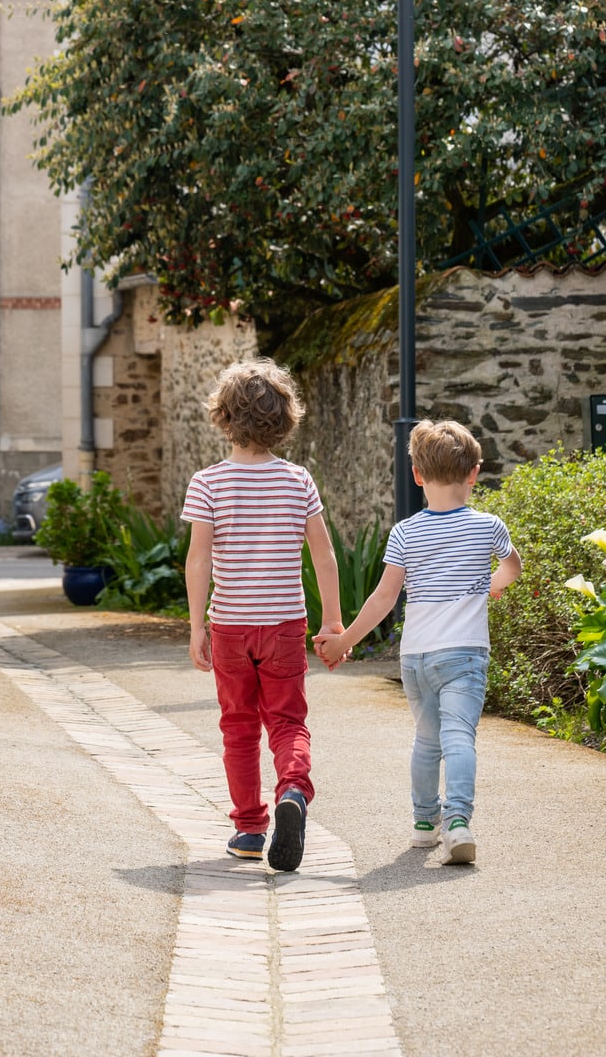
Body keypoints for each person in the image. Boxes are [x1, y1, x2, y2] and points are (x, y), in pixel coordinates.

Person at [315, 419, 521, 865]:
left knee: (427, 740)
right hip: (464, 653)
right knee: (459, 737)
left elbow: (383, 598)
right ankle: (459, 822)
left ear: (417, 475)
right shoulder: (489, 526)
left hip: (416, 657)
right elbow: (513, 567)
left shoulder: (406, 533)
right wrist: (492, 584)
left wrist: (343, 641)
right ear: (474, 473)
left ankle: (424, 824)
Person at [182, 358, 342, 872]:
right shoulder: (298, 481)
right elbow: (324, 555)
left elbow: (199, 559)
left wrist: (196, 626)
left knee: (238, 727)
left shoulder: (208, 483)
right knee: (288, 721)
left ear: (224, 418)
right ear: (284, 419)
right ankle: (293, 790)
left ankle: (250, 828)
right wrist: (333, 622)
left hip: (230, 624)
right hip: (284, 625)